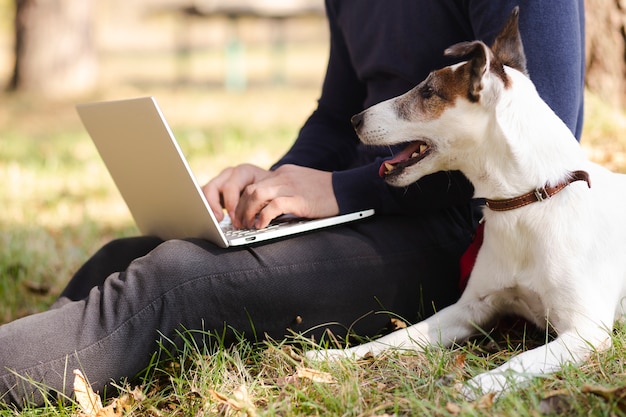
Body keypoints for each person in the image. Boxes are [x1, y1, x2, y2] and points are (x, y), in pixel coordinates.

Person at [0, 0, 585, 408]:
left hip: (465, 231)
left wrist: (336, 191)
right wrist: (276, 182)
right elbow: (338, 116)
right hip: (366, 207)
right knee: (126, 254)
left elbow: (538, 133)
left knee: (173, 280)